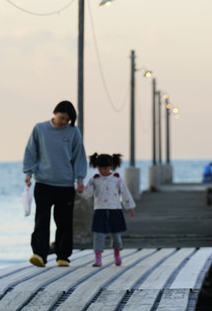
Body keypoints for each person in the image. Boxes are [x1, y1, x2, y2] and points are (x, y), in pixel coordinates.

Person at [23, 101, 87, 268]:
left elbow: (79, 156)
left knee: (64, 222)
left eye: (67, 119)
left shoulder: (73, 133)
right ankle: (39, 254)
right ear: (55, 112)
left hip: (65, 185)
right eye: (62, 118)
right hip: (43, 183)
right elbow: (31, 151)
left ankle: (62, 256)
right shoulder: (40, 129)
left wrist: (80, 179)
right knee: (42, 219)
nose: (64, 122)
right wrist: (28, 173)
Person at [79, 152, 135, 267]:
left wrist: (130, 207)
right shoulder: (95, 179)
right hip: (100, 211)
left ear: (111, 167)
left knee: (116, 236)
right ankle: (98, 258)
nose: (103, 171)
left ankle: (117, 254)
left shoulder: (117, 178)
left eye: (105, 168)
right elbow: (88, 193)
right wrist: (81, 190)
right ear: (96, 167)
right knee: (98, 235)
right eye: (100, 168)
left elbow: (125, 193)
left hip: (115, 210)